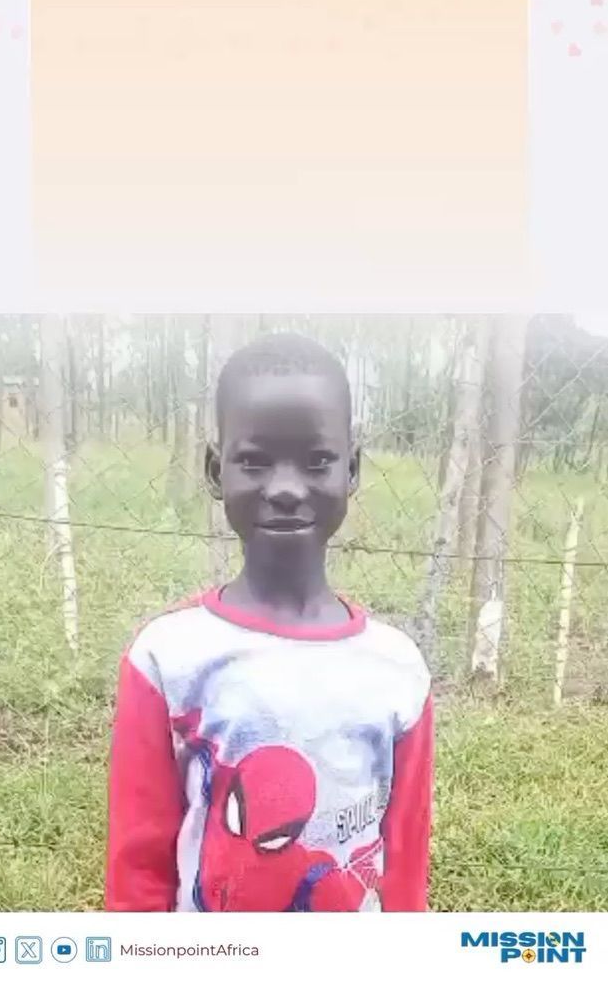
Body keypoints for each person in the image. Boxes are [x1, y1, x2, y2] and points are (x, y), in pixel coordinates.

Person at [105, 332, 433, 912]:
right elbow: (139, 864)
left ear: (352, 470)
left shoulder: (397, 670)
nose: (285, 488)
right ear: (215, 470)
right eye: (255, 461)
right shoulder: (167, 660)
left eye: (317, 462)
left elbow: (404, 860)